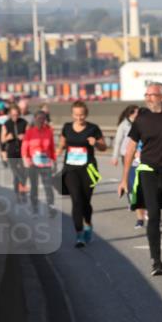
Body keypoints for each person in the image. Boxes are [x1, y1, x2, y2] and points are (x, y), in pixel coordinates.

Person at [117, 83, 162, 276]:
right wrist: (124, 179)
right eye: (146, 94)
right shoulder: (142, 118)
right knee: (153, 215)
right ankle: (156, 261)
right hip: (148, 171)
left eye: (152, 95)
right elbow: (130, 148)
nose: (147, 98)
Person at [57, 100, 106, 248]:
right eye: (76, 115)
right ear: (72, 114)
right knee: (76, 200)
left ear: (86, 114)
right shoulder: (66, 127)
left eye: (82, 115)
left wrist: (95, 143)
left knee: (85, 202)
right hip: (71, 169)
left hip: (88, 170)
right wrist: (58, 152)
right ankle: (79, 235)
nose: (79, 118)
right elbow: (62, 144)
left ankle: (88, 224)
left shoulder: (93, 129)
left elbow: (104, 147)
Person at [112, 105, 146, 228]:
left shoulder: (150, 128)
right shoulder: (126, 126)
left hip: (148, 165)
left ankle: (151, 214)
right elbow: (119, 142)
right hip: (131, 161)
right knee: (134, 189)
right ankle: (140, 218)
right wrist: (115, 157)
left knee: (148, 192)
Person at [21, 111, 56, 215]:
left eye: (43, 118)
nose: (41, 120)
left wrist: (54, 162)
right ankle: (34, 207)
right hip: (33, 164)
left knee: (48, 187)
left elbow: (52, 148)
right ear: (35, 119)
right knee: (34, 187)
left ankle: (51, 207)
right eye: (39, 118)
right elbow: (24, 147)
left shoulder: (49, 132)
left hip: (46, 163)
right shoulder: (29, 132)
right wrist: (25, 160)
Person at [1, 104, 29, 202]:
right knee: (16, 173)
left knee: (23, 173)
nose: (15, 117)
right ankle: (18, 194)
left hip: (22, 151)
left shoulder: (24, 122)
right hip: (11, 151)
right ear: (10, 114)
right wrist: (8, 138)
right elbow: (2, 139)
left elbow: (29, 136)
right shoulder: (6, 124)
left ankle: (22, 193)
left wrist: (24, 136)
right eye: (13, 115)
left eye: (16, 115)